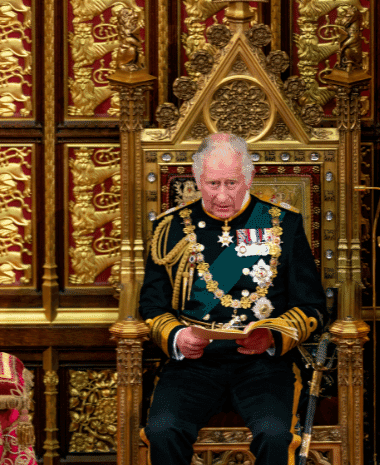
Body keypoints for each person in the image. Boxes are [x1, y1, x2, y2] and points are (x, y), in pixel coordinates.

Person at [139, 133, 326, 465]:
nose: (221, 196)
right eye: (212, 184)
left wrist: (272, 336)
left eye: (231, 183)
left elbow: (313, 307)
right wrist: (178, 337)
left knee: (275, 434)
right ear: (196, 179)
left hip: (263, 366)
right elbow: (152, 306)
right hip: (194, 366)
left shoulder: (283, 224)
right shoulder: (170, 229)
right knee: (163, 431)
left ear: (249, 178)